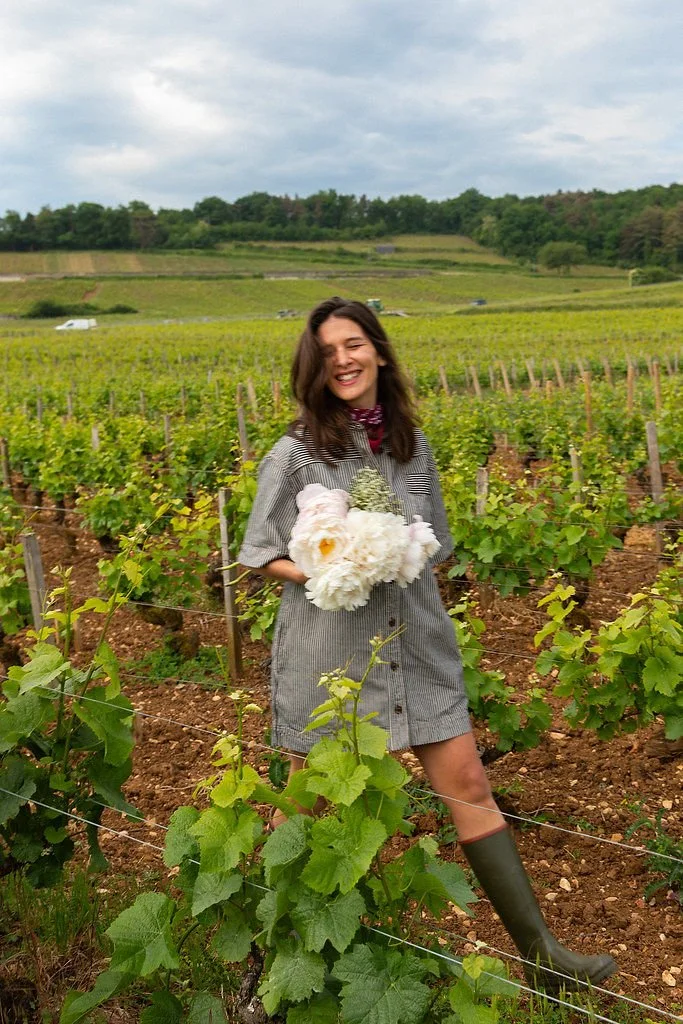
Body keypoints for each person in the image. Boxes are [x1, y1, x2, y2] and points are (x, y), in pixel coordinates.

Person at [238, 296, 617, 995]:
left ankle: (543, 960)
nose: (343, 360)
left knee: (469, 784)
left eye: (354, 344)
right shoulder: (295, 455)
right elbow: (260, 552)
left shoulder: (412, 447)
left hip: (416, 644)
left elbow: (434, 541)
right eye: (327, 352)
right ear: (313, 368)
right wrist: (336, 565)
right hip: (334, 660)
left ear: (379, 352)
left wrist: (399, 548)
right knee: (309, 806)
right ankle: (270, 967)